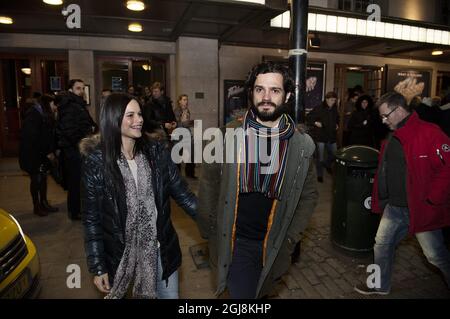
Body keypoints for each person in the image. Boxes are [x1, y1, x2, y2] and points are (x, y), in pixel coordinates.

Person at [197, 61, 318, 299]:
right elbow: (209, 185)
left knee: (262, 291)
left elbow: (309, 195)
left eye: (275, 90)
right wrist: (211, 229)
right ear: (251, 93)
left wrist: (291, 236)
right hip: (236, 241)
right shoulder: (226, 136)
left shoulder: (301, 145)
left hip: (274, 242)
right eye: (259, 89)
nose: (266, 97)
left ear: (288, 95)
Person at [80, 93, 198, 299]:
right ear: (113, 119)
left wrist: (216, 220)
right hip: (120, 254)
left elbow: (184, 195)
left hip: (160, 249)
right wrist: (98, 266)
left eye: (140, 114)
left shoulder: (156, 152)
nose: (139, 120)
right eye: (130, 115)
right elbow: (92, 221)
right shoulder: (96, 164)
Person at [354, 92, 450, 295]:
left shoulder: (430, 132)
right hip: (395, 206)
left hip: (422, 207)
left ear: (398, 110)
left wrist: (433, 198)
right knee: (381, 245)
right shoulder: (391, 135)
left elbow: (447, 168)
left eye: (385, 115)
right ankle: (379, 284)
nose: (383, 120)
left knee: (435, 256)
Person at [56, 79, 97, 220]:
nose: (81, 91)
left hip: (78, 148)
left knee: (80, 181)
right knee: (75, 182)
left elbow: (86, 123)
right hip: (74, 151)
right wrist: (83, 141)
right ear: (71, 90)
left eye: (82, 88)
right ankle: (74, 212)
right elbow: (70, 131)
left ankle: (78, 209)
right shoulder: (69, 106)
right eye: (78, 88)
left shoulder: (77, 104)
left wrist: (92, 128)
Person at [19, 94, 59, 216]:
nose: (55, 107)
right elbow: (34, 138)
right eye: (53, 104)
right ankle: (37, 206)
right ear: (47, 104)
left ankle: (44, 202)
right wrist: (47, 152)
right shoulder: (34, 115)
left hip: (40, 154)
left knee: (42, 179)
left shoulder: (43, 114)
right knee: (36, 180)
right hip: (32, 155)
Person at [306, 91, 339, 183]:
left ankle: (327, 164)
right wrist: (315, 123)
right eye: (332, 100)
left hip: (331, 136)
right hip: (321, 136)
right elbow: (308, 117)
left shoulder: (334, 108)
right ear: (327, 99)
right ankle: (320, 175)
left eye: (334, 100)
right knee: (320, 158)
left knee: (335, 155)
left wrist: (337, 124)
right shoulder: (319, 108)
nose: (333, 102)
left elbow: (337, 118)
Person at [173, 94, 196, 179]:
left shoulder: (187, 110)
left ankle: (190, 173)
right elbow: (176, 124)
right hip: (179, 135)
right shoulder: (176, 111)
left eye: (186, 100)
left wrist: (191, 123)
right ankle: (177, 175)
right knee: (177, 156)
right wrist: (185, 122)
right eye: (184, 100)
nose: (186, 101)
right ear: (179, 101)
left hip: (186, 135)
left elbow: (186, 123)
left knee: (191, 155)